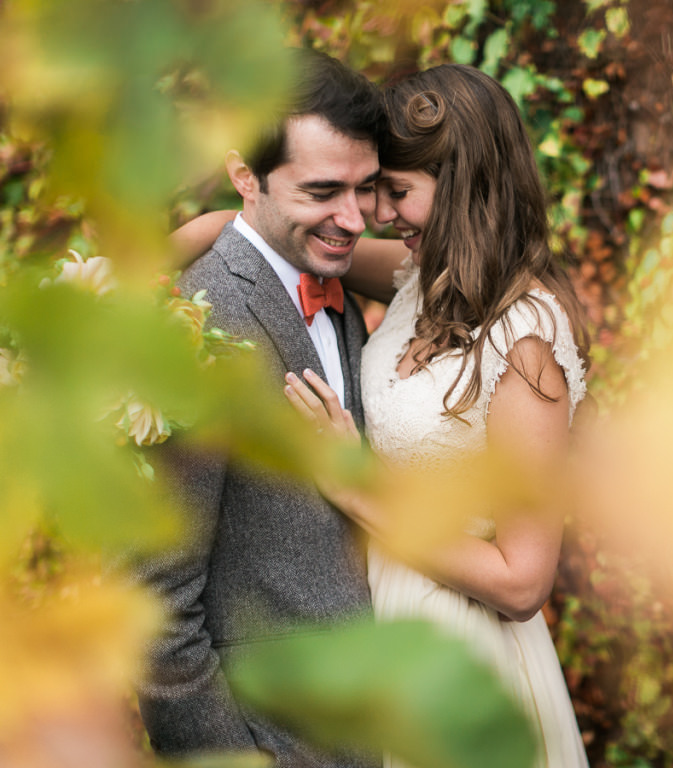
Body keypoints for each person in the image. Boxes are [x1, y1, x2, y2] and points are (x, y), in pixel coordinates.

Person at [176, 63, 591, 767]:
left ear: (462, 189)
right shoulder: (418, 280)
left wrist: (356, 488)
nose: (377, 214)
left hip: (459, 643)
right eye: (375, 189)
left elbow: (524, 583)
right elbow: (277, 239)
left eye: (394, 192)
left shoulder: (524, 339)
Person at [137, 48, 387, 768]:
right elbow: (157, 608)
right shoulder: (192, 327)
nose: (353, 218)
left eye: (366, 188)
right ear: (245, 177)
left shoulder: (331, 289)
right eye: (322, 190)